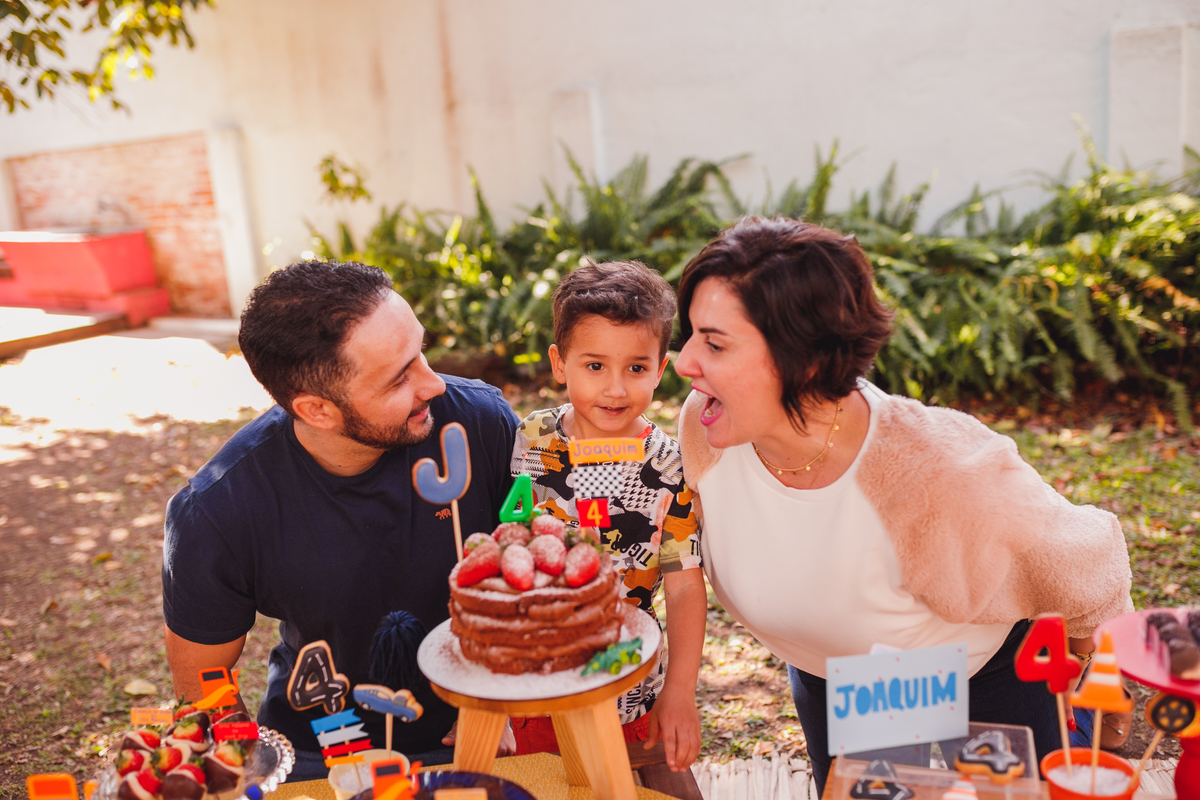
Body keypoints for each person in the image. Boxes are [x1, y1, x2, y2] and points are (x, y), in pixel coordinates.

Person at [671, 217, 1133, 795]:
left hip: (983, 676)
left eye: (714, 343)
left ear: (805, 360)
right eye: (691, 334)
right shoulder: (705, 424)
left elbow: (1088, 564)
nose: (683, 361)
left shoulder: (937, 473)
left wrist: (1104, 694)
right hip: (847, 679)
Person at [162, 260, 519, 779]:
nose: (434, 384)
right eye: (400, 378)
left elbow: (536, 579)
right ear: (317, 410)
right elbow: (201, 681)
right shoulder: (216, 510)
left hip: (483, 731)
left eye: (420, 352)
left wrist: (498, 695)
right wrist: (251, 775)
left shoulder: (482, 424)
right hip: (320, 753)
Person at [508, 260, 706, 773]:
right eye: (595, 366)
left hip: (628, 685)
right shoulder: (536, 438)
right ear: (559, 363)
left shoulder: (666, 465)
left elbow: (683, 583)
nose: (616, 389)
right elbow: (518, 534)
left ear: (661, 369)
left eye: (636, 368)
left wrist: (680, 692)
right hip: (539, 679)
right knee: (545, 782)